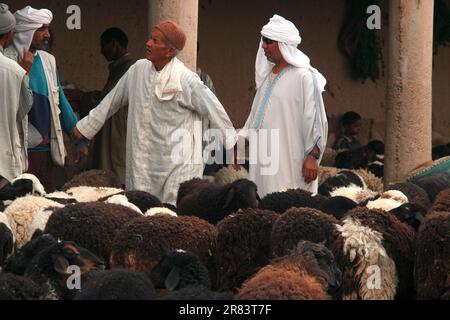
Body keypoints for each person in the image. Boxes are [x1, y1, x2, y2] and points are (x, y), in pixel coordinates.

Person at [72, 20, 237, 205]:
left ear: (169, 51)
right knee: (140, 210)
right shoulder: (137, 70)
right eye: (151, 38)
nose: (148, 43)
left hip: (177, 166)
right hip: (142, 162)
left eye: (155, 41)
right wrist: (85, 128)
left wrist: (231, 143)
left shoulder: (186, 80)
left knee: (171, 215)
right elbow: (111, 101)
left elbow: (214, 110)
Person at [239, 14, 328, 197]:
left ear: (282, 44)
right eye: (263, 40)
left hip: (290, 162)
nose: (263, 45)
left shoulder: (304, 77)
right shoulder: (266, 78)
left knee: (289, 210)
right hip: (262, 162)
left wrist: (313, 156)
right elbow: (253, 119)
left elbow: (317, 120)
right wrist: (238, 143)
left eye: (268, 41)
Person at [4, 6, 88, 192]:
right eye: (41, 29)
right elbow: (7, 105)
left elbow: (60, 102)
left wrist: (79, 138)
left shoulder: (48, 60)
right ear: (27, 31)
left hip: (46, 151)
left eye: (48, 29)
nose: (47, 34)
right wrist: (23, 71)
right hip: (17, 152)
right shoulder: (6, 61)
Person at [65, 27, 136, 186]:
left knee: (116, 175)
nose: (101, 51)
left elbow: (108, 100)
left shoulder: (130, 68)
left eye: (104, 45)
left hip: (118, 132)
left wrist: (82, 97)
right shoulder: (118, 67)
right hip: (111, 130)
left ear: (114, 44)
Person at [0, 3, 33, 188]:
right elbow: (22, 110)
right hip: (3, 162)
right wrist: (24, 73)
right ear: (8, 34)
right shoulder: (14, 70)